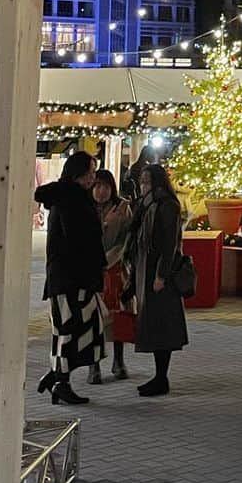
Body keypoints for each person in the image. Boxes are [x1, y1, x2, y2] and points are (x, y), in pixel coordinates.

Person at [34, 151, 107, 406]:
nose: (93, 177)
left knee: (70, 330)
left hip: (66, 278)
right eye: (90, 172)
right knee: (70, 330)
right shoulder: (72, 200)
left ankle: (56, 377)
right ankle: (59, 382)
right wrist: (93, 273)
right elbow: (79, 242)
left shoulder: (67, 198)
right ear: (78, 173)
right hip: (73, 279)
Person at [122, 163, 189, 397]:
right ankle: (159, 377)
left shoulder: (166, 205)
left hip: (159, 274)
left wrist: (161, 275)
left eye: (147, 182)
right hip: (144, 270)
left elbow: (169, 244)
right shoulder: (145, 205)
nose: (143, 186)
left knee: (161, 325)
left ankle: (162, 377)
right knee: (152, 324)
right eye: (142, 181)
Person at [89, 169, 135, 383]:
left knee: (117, 317)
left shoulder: (122, 207)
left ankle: (119, 361)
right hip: (90, 272)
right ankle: (94, 365)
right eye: (97, 186)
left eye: (105, 186)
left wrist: (110, 258)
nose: (101, 191)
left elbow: (127, 239)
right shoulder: (85, 207)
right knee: (93, 319)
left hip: (116, 270)